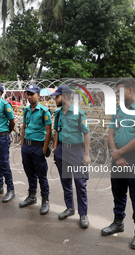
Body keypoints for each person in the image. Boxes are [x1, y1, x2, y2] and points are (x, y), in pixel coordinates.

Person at [101, 78, 135, 250]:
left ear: (130, 90)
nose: (117, 94)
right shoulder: (118, 110)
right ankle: (118, 222)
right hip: (117, 157)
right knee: (118, 193)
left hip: (134, 158)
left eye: (119, 90)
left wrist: (121, 153)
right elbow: (110, 132)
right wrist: (116, 155)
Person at [52, 85, 91, 228]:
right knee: (65, 182)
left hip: (77, 152)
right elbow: (57, 131)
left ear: (65, 97)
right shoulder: (58, 113)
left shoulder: (80, 113)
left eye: (57, 96)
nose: (55, 99)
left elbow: (86, 133)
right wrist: (56, 149)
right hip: (62, 151)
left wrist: (86, 154)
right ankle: (70, 208)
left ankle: (83, 214)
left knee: (80, 184)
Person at [19, 84, 52, 215]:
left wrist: (44, 149)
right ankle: (32, 196)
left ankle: (45, 200)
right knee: (29, 173)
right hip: (27, 147)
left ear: (38, 95)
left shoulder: (44, 111)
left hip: (38, 147)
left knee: (41, 175)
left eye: (32, 94)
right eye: (28, 94)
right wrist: (22, 146)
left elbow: (49, 131)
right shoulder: (26, 110)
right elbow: (23, 127)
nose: (29, 96)